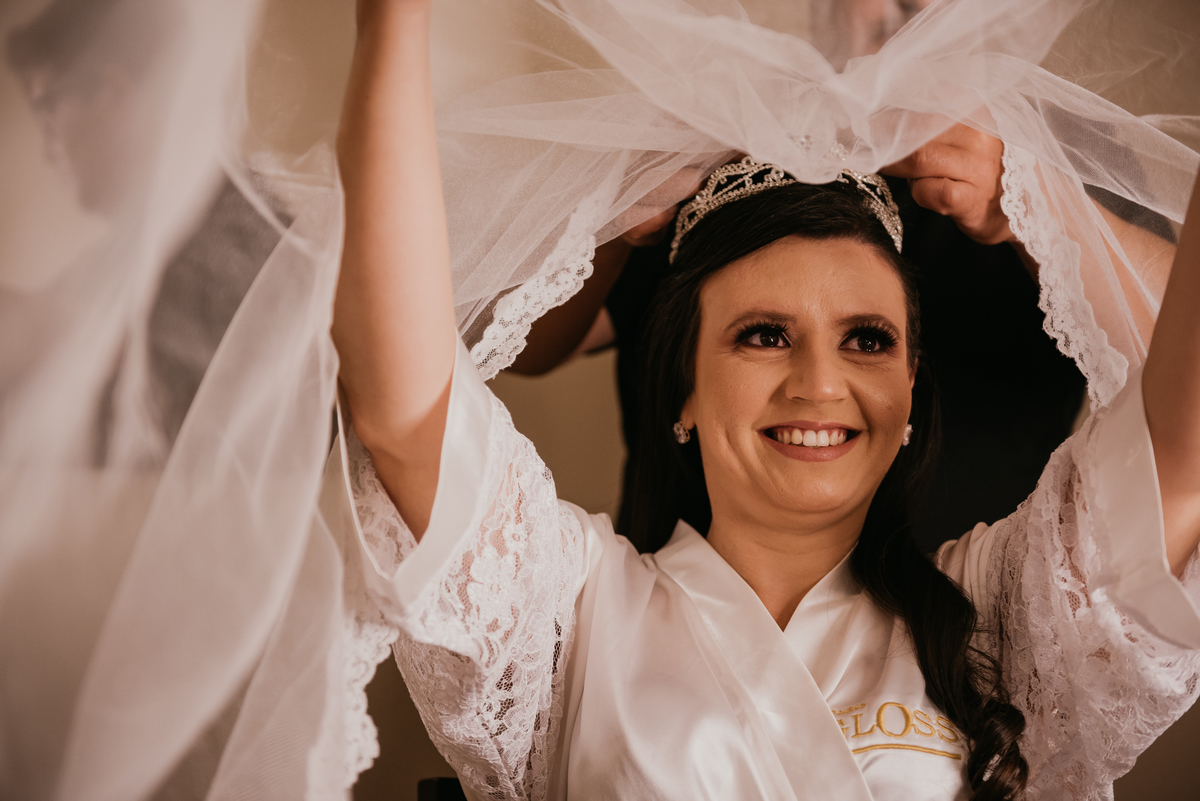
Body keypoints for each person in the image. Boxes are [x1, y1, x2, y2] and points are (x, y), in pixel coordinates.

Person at [330, 2, 1200, 800]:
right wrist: (393, 18)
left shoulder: (1003, 627)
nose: (819, 382)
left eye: (868, 339)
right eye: (763, 335)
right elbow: (407, 402)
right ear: (682, 387)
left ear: (909, 394)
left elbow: (1185, 448)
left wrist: (1038, 200)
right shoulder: (570, 616)